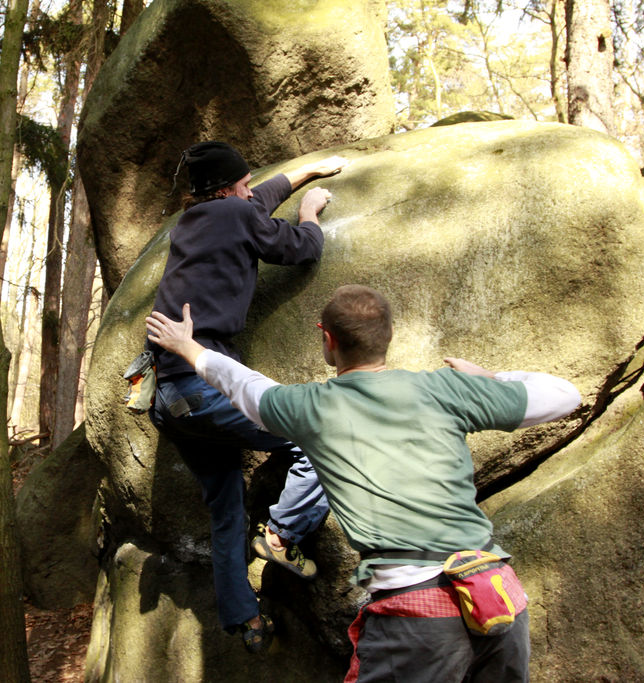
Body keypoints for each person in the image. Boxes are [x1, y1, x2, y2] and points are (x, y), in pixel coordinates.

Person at [145, 285, 581, 681]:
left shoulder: (312, 407)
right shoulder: (446, 389)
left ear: (328, 339)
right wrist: (491, 379)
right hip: (497, 595)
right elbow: (566, 396)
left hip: (417, 614)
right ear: (389, 334)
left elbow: (246, 387)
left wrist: (189, 349)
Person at [147, 140, 347, 651]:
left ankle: (243, 621)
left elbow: (256, 201)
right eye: (243, 183)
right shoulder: (235, 214)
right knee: (318, 433)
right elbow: (300, 250)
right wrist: (308, 214)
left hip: (169, 397)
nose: (250, 189)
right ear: (226, 190)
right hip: (201, 383)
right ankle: (283, 533)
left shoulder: (194, 221)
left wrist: (305, 172)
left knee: (225, 508)